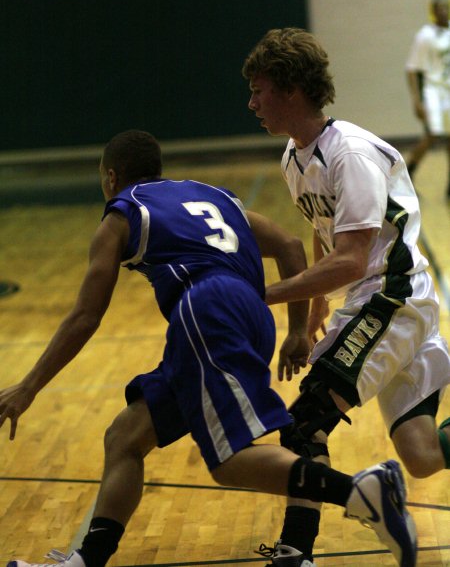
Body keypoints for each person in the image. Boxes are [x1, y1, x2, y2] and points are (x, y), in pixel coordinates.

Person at [0, 130, 417, 567]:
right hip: (250, 314)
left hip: (206, 310)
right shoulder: (214, 196)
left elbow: (86, 316)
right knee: (125, 436)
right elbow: (291, 247)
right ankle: (86, 560)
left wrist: (28, 387)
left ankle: (359, 492)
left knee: (229, 461)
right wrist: (295, 331)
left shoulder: (121, 215)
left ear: (110, 177)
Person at [242, 28, 450, 567]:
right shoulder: (295, 156)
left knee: (305, 421)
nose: (252, 103)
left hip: (392, 298)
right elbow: (324, 229)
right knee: (422, 455)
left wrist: (260, 295)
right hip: (388, 299)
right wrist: (309, 317)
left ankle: (295, 552)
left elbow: (352, 259)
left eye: (259, 90)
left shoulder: (350, 153)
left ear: (290, 89)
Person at [405, 0, 450, 197]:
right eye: (439, 8)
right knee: (432, 135)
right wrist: (417, 100)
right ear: (433, 11)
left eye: (446, 7)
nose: (443, 11)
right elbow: (412, 69)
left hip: (448, 91)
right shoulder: (425, 35)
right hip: (432, 91)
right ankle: (408, 172)